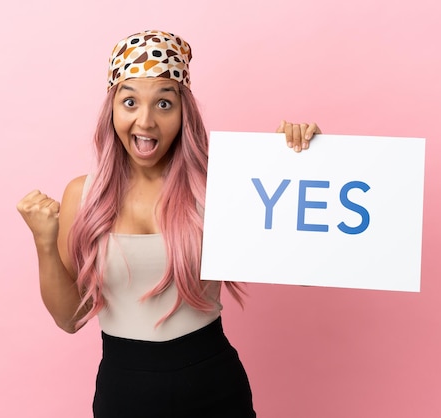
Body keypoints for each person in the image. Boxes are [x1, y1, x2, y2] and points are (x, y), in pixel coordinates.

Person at [17, 30, 320, 418]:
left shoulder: (220, 186)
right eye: (130, 102)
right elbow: (69, 319)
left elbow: (300, 264)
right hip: (123, 392)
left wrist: (299, 166)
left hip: (214, 384)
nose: (146, 121)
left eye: (163, 103)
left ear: (183, 112)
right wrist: (45, 242)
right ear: (112, 110)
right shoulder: (83, 195)